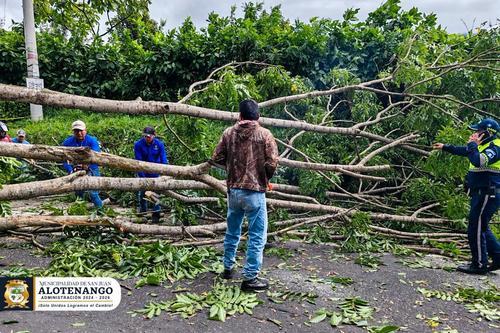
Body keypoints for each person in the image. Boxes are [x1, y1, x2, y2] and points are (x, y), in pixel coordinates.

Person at [211, 99, 279, 291]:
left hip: (233, 191)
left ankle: (227, 268)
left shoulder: (228, 133)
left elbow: (216, 157)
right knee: (257, 235)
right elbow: (272, 162)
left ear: (239, 115)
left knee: (232, 230)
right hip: (255, 192)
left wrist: (231, 168)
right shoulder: (264, 134)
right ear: (258, 116)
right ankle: (250, 278)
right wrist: (265, 178)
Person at [433, 118, 500, 274]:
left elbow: (478, 161)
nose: (474, 134)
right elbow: (466, 151)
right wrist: (445, 147)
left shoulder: (496, 147)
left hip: (488, 192)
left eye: (478, 131)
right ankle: (497, 256)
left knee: (474, 228)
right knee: (481, 226)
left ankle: (479, 264)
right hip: (482, 192)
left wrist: (472, 145)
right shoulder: (483, 146)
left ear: (488, 133)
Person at [62, 120, 103, 209]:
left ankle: (101, 212)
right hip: (76, 169)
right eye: (76, 131)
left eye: (81, 131)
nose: (79, 133)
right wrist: (70, 170)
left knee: (93, 192)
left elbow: (96, 156)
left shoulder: (92, 140)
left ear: (85, 130)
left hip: (92, 168)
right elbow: (64, 160)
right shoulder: (67, 142)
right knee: (78, 192)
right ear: (73, 132)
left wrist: (87, 165)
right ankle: (80, 211)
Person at [134, 126, 168, 223]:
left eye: (149, 136)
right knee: (142, 193)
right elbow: (138, 162)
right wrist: (143, 177)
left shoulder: (159, 144)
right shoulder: (138, 145)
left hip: (155, 173)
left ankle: (156, 214)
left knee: (156, 194)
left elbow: (163, 159)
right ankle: (143, 213)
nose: (147, 138)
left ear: (154, 136)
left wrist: (164, 172)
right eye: (145, 136)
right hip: (143, 172)